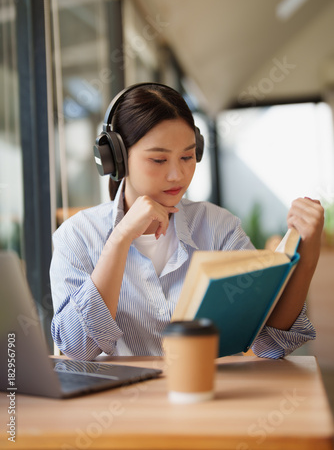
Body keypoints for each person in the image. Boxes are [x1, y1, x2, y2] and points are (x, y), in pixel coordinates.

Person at [50, 83, 324, 361]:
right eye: (158, 159)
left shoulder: (219, 228)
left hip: (207, 396)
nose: (177, 175)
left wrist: (308, 257)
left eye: (187, 157)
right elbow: (76, 348)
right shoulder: (77, 237)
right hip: (122, 402)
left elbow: (271, 344)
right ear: (117, 159)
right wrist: (120, 240)